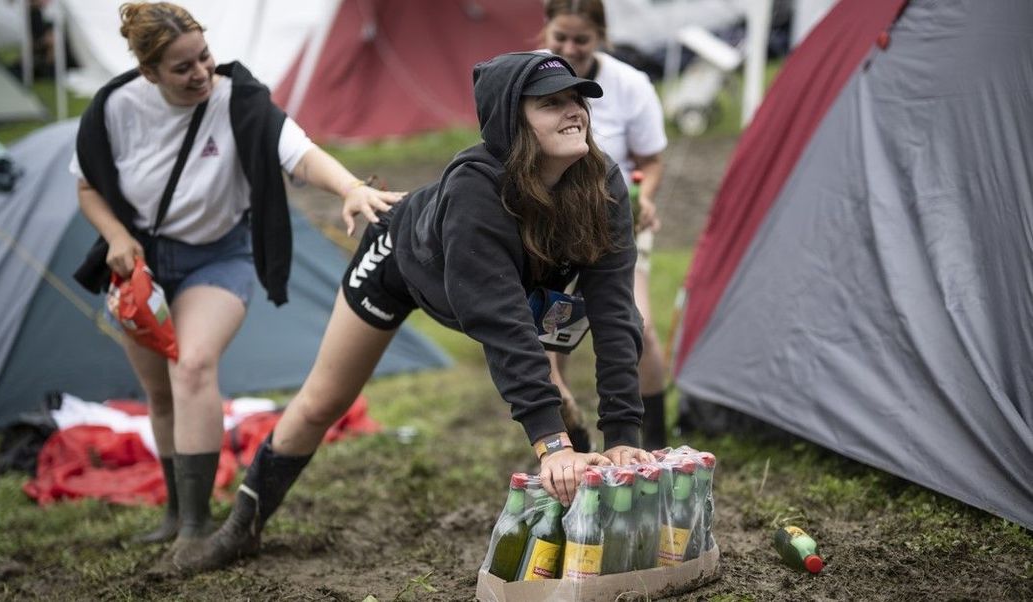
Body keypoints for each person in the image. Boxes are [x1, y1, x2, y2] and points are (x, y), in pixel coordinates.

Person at [177, 51, 655, 573]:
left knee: (556, 399)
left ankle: (585, 507)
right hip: (401, 262)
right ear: (511, 123)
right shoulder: (478, 191)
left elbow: (614, 313)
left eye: (577, 98)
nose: (575, 111)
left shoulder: (602, 183)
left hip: (522, 281)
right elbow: (501, 323)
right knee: (321, 401)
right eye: (550, 103)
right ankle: (242, 525)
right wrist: (550, 448)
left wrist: (626, 438)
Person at [70, 2, 402, 569]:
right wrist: (117, 237)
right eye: (182, 68)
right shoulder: (114, 108)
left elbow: (298, 152)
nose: (201, 72)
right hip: (142, 264)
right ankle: (176, 513)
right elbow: (88, 187)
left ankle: (199, 526)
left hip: (218, 257)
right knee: (159, 393)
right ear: (149, 73)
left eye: (204, 57)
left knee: (193, 365)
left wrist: (348, 186)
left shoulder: (240, 100)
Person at [541, 0, 671, 451]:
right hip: (553, 231)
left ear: (601, 37)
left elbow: (651, 161)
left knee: (638, 326)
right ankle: (569, 443)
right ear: (547, 30)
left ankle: (654, 438)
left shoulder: (629, 84)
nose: (571, 48)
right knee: (549, 335)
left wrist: (644, 197)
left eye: (582, 39)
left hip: (621, 221)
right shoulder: (528, 80)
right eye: (561, 38)